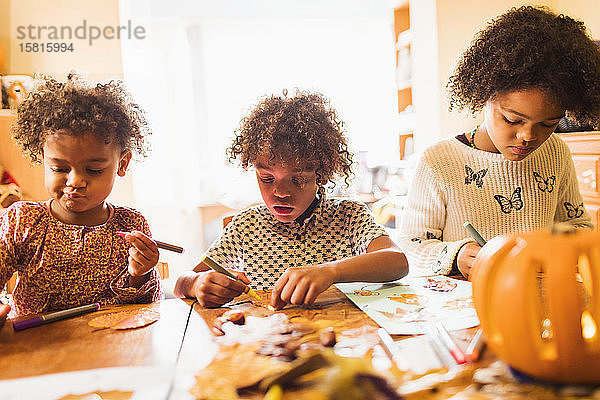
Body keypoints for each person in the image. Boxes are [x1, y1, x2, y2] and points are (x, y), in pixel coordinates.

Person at [398, 6, 600, 279]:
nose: (528, 136)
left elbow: (579, 226)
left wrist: (559, 247)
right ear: (484, 95)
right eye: (512, 120)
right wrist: (456, 256)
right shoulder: (439, 161)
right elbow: (409, 249)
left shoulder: (556, 152)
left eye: (547, 124)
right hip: (465, 309)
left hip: (539, 305)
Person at [175, 90, 408, 308]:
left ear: (322, 174)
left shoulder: (348, 217)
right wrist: (196, 284)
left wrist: (331, 271)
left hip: (340, 338)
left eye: (297, 179)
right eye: (267, 178)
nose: (281, 193)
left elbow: (397, 261)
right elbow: (181, 284)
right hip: (270, 339)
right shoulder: (246, 226)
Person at [0, 74, 161, 328]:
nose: (75, 181)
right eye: (59, 168)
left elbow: (145, 309)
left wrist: (139, 275)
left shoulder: (131, 224)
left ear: (122, 163)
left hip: (110, 348)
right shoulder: (21, 220)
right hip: (35, 346)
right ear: (43, 159)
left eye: (94, 170)